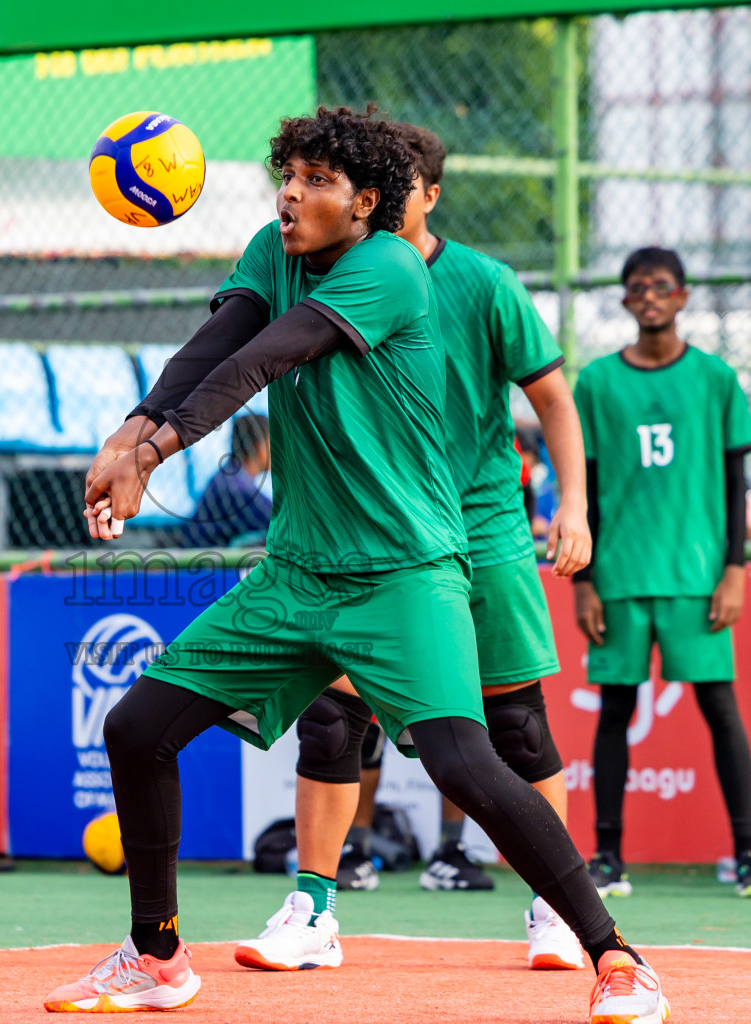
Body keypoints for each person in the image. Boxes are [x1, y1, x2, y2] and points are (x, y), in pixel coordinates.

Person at [45, 106, 669, 1024]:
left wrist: (157, 450)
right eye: (286, 176)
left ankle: (616, 956)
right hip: (298, 574)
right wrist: (133, 429)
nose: (291, 194)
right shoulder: (273, 246)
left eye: (316, 181)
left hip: (403, 572)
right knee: (138, 728)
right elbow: (219, 342)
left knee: (466, 759)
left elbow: (271, 356)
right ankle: (157, 956)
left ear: (367, 202)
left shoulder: (390, 268)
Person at [232, 121, 591, 975]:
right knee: (331, 719)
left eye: (405, 188)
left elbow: (555, 398)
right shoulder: (316, 272)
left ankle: (558, 906)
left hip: (484, 527)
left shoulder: (483, 284)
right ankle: (314, 907)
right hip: (374, 536)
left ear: (425, 196)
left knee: (514, 726)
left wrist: (571, 503)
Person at [572, 247, 751, 900]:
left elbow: (738, 482)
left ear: (683, 297)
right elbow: (588, 482)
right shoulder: (597, 382)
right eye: (637, 287)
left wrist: (735, 570)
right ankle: (607, 858)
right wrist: (584, 579)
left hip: (697, 577)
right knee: (615, 711)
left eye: (661, 286)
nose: (649, 296)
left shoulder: (715, 378)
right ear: (626, 301)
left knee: (721, 709)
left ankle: (748, 856)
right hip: (621, 576)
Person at [178, 413, 272, 547]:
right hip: (200, 563)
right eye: (272, 442)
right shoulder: (235, 486)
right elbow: (277, 519)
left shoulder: (230, 475)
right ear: (258, 445)